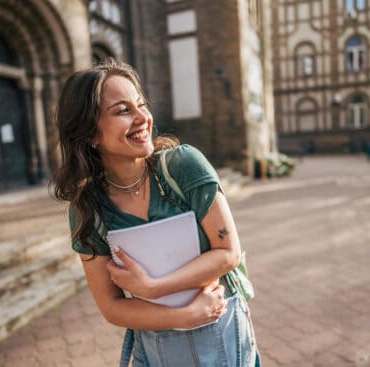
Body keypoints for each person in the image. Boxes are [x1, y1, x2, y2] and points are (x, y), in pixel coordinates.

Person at [52, 58, 260, 367]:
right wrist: (184, 316)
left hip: (221, 334)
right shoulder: (87, 209)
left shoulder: (183, 166)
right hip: (156, 347)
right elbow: (110, 306)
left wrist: (152, 287)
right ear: (90, 134)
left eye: (141, 105)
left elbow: (228, 252)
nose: (142, 118)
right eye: (123, 110)